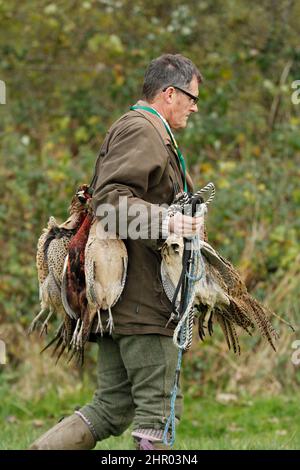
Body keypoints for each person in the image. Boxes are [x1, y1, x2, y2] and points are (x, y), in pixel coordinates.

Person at [30, 53, 204, 450]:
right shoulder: (143, 130)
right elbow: (110, 204)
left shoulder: (146, 129)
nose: (195, 106)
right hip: (143, 304)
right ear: (169, 93)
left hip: (122, 304)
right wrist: (169, 222)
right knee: (158, 416)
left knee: (110, 407)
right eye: (192, 97)